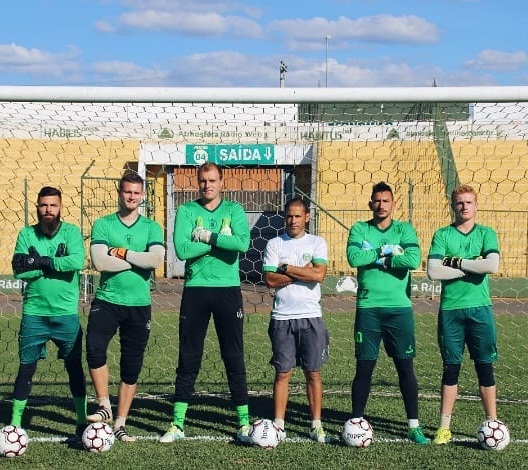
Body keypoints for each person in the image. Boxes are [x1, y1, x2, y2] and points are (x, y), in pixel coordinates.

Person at [160, 162, 251, 444]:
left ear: (222, 182)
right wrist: (222, 240)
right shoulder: (186, 211)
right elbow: (182, 250)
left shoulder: (234, 210)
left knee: (233, 356)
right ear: (197, 182)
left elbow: (242, 245)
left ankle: (243, 423)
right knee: (188, 357)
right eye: (203, 180)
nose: (207, 185)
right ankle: (177, 424)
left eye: (212, 180)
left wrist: (206, 236)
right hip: (196, 290)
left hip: (227, 290)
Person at [346, 181, 430, 445]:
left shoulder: (404, 229)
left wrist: (374, 255)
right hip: (368, 308)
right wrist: (386, 250)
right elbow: (354, 258)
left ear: (393, 204)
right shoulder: (359, 228)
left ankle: (413, 426)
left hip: (399, 309)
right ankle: (357, 423)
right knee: (364, 368)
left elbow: (412, 260)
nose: (381, 205)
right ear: (370, 203)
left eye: (386, 201)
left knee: (405, 368)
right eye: (377, 200)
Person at [86, 171, 165, 442]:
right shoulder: (104, 224)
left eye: (136, 192)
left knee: (131, 365)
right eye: (127, 191)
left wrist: (121, 253)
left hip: (139, 304)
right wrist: (137, 260)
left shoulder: (152, 227)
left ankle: (120, 423)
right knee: (94, 347)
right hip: (107, 300)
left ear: (142, 196)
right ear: (119, 193)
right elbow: (100, 262)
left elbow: (155, 261)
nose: (131, 196)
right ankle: (104, 405)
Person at [10, 186, 87, 440]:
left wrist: (41, 261)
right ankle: (15, 424)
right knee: (26, 369)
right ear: (37, 207)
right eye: (44, 205)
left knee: (74, 368)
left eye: (53, 205)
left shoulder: (71, 232)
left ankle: (81, 421)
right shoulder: (26, 234)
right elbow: (19, 269)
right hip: (34, 314)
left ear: (61, 207)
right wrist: (55, 264)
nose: (48, 210)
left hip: (66, 314)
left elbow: (76, 262)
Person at [427, 184, 501, 445]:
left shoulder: (486, 233)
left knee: (485, 368)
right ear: (453, 206)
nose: (464, 207)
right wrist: (472, 266)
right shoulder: (443, 234)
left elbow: (492, 265)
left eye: (469, 202)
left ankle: (493, 421)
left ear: (476, 205)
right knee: (451, 369)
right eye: (460, 203)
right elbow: (434, 271)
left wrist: (456, 262)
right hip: (451, 310)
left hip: (480, 309)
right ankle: (444, 428)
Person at [262, 197, 329, 443]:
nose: (293, 220)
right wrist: (303, 271)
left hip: (311, 317)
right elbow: (270, 280)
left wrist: (286, 268)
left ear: (307, 217)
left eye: (298, 216)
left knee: (313, 372)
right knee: (282, 373)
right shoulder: (274, 243)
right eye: (289, 216)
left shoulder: (317, 242)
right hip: (282, 318)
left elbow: (319, 275)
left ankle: (316, 425)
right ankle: (279, 424)